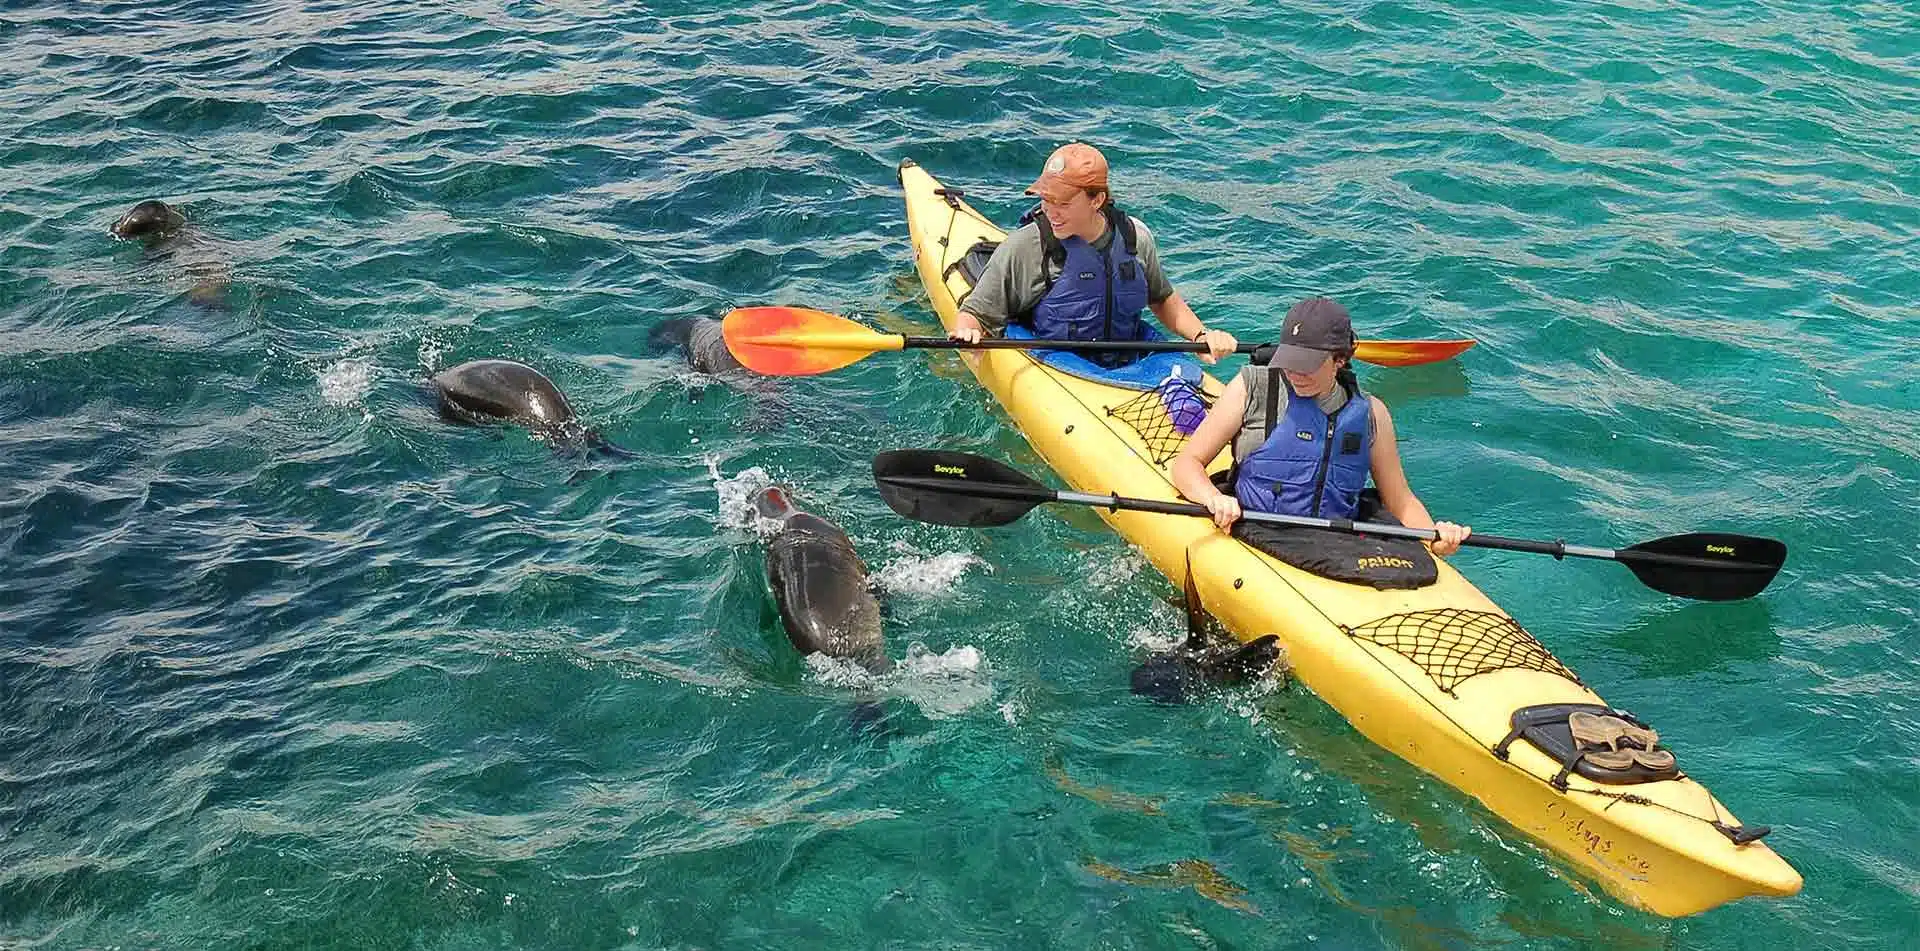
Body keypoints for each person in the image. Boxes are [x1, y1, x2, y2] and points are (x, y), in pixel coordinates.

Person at [1170, 297, 1471, 558]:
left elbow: (1401, 501)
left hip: (1334, 548)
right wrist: (1213, 498)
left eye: (1308, 364)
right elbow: (1186, 464)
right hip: (1256, 534)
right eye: (1290, 360)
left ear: (1340, 359)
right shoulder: (1253, 389)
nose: (1296, 373)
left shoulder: (1372, 414)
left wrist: (1434, 537)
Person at [949, 143, 1238, 366]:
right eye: (1045, 200)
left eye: (1061, 202)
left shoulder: (1134, 237)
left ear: (1097, 200)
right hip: (1059, 370)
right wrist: (968, 333)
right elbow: (974, 314)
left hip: (1127, 366)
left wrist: (1201, 336)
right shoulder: (1026, 247)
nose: (1050, 211)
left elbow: (1161, 298)